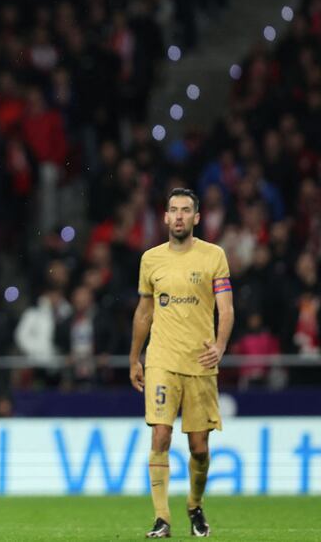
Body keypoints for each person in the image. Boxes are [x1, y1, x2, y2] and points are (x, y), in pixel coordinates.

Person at [129, 188, 234, 539]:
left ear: (196, 217)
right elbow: (144, 312)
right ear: (164, 217)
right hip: (161, 359)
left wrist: (220, 346)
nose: (178, 216)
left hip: (201, 361)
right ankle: (162, 519)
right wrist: (135, 358)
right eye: (172, 210)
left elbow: (227, 308)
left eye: (185, 210)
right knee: (160, 435)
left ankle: (194, 504)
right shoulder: (151, 259)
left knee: (199, 448)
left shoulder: (214, 256)